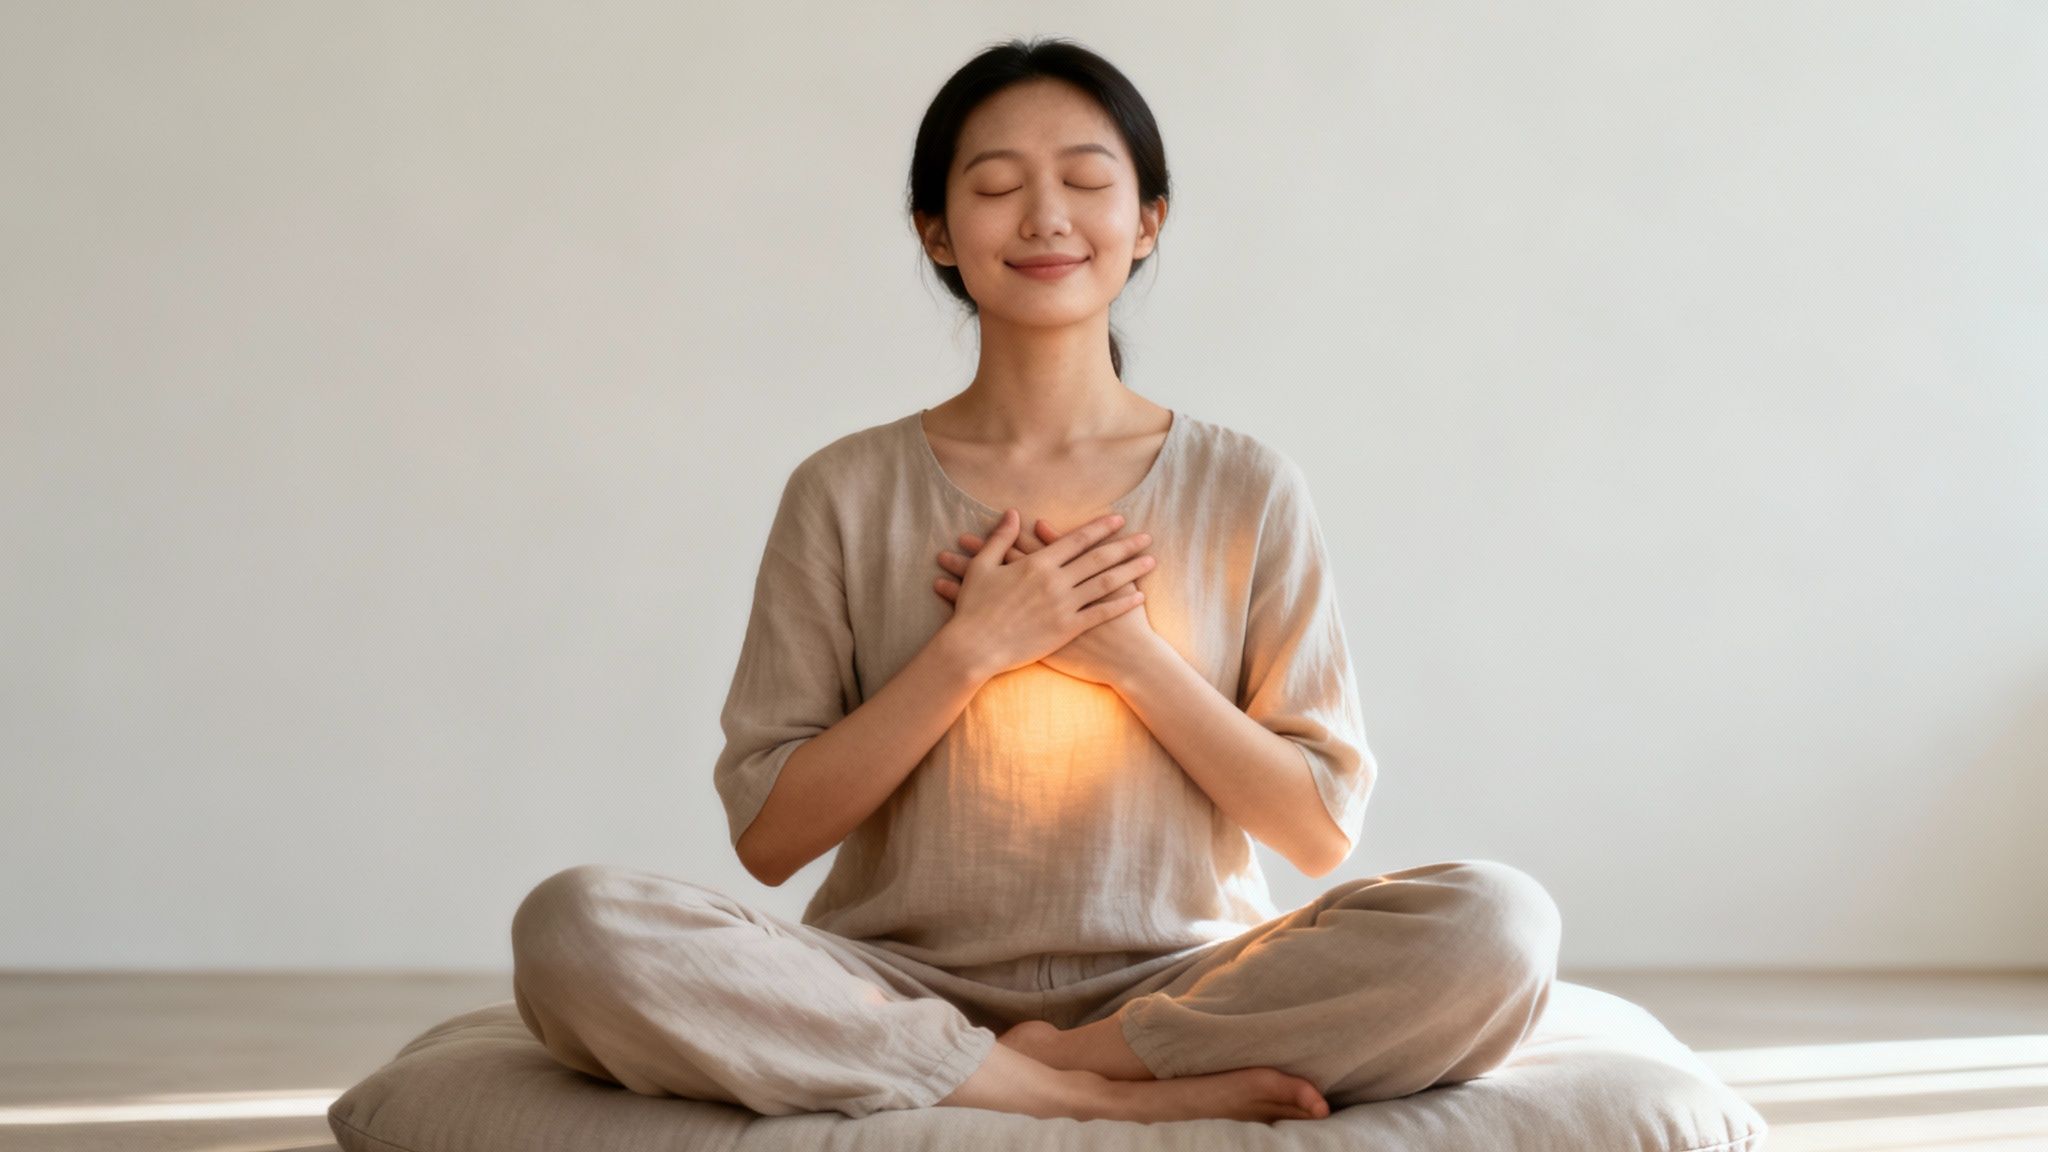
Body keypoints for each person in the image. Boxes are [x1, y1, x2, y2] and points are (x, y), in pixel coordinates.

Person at [510, 36, 1562, 1127]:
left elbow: (1314, 832)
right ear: (936, 233)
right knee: (573, 927)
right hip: (889, 984)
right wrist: (971, 650)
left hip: (1185, 983)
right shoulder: (841, 490)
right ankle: (1065, 1092)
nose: (1045, 217)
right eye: (997, 187)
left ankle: (1090, 1057)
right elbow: (769, 839)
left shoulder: (1246, 486)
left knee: (1496, 924)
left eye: (1087, 181)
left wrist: (1129, 660)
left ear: (1147, 219)